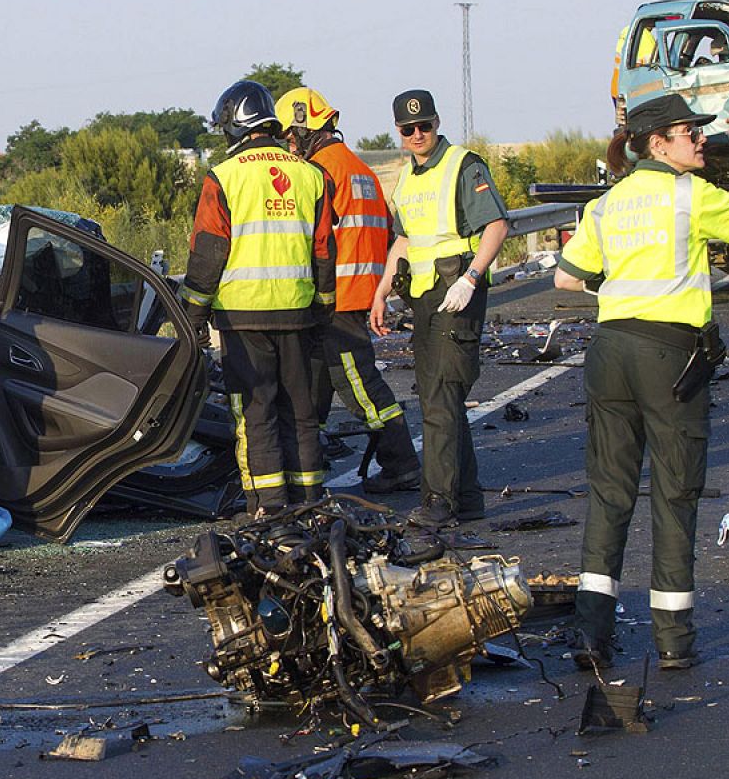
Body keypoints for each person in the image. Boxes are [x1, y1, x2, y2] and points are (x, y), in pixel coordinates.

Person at [554, 94, 729, 671]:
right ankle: (673, 640)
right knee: (675, 493)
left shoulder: (607, 203)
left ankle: (591, 636)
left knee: (610, 493)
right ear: (658, 144)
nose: (699, 140)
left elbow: (565, 279)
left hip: (609, 350)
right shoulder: (688, 195)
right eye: (688, 132)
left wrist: (624, 291)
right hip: (669, 357)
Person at [179, 80, 336, 514]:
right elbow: (324, 252)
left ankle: (268, 505)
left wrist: (190, 314)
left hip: (242, 318)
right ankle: (310, 501)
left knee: (255, 414)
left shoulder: (224, 178)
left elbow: (208, 254)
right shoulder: (310, 176)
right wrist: (324, 311)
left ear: (234, 125)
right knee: (300, 412)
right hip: (299, 315)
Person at [369, 90, 509, 528]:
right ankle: (466, 499)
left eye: (423, 126)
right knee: (437, 398)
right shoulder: (407, 179)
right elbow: (406, 240)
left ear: (436, 123)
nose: (417, 135)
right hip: (426, 298)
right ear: (398, 131)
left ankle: (437, 502)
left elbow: (497, 224)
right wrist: (382, 289)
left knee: (442, 398)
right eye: (408, 130)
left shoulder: (463, 166)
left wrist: (473, 277)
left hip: (457, 290)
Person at [273, 87, 421, 493]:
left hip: (337, 295)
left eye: (288, 137)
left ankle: (401, 463)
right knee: (315, 381)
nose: (287, 147)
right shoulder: (359, 169)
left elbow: (307, 236)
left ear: (303, 130)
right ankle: (308, 464)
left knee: (359, 385)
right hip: (358, 291)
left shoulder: (319, 172)